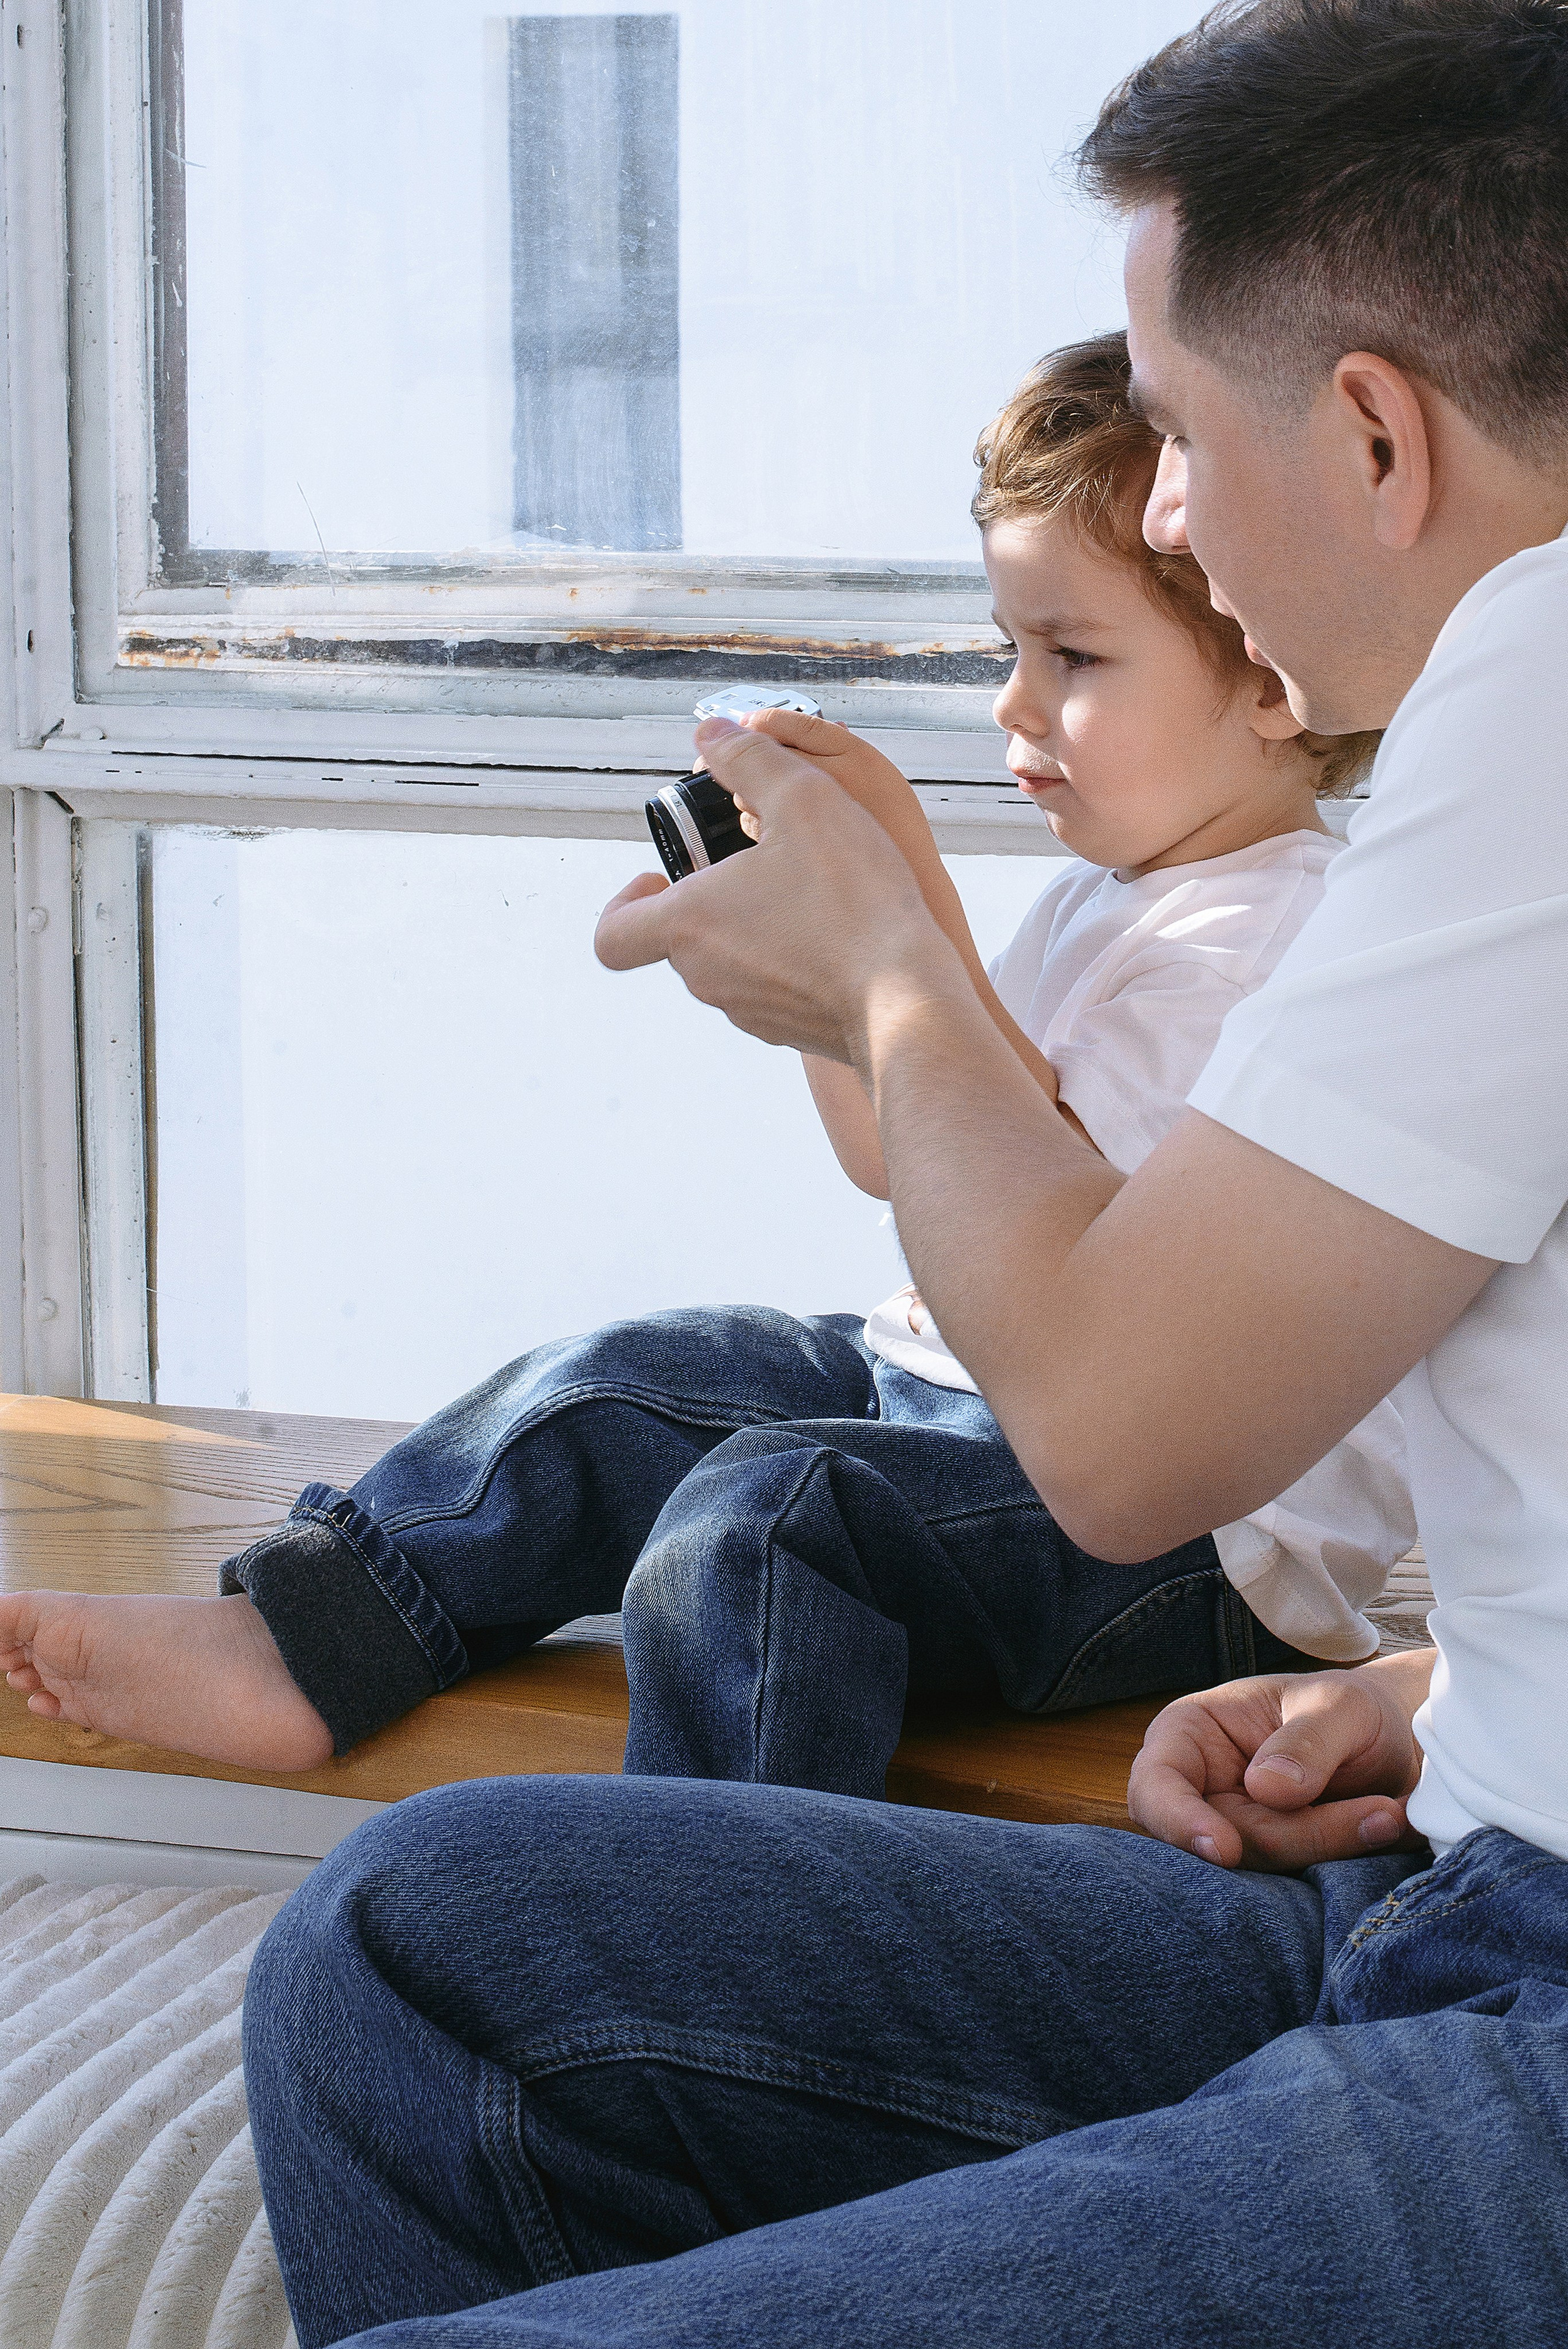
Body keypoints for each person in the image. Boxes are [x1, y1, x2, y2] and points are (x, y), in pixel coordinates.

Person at [173, 1, 1568, 2342]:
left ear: (1369, 431)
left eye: (1192, 442)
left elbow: (1122, 1444)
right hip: (1464, 1861)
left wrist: (894, 981)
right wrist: (1445, 1680)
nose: (1195, 522)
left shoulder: (1534, 686)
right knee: (418, 1949)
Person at [0, 336, 1402, 1790]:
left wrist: (891, 926)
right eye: (1007, 648)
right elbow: (907, 1154)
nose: (1014, 704)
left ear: (1271, 681)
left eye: (1074, 656)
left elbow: (1087, 1251)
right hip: (957, 1392)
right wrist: (852, 943)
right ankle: (304, 1641)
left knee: (766, 1514)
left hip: (1183, 1535)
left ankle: (707, 1892)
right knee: (609, 1389)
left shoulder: (1264, 939)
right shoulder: (1116, 895)